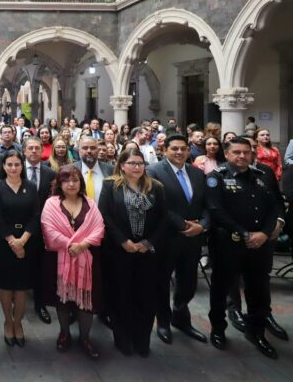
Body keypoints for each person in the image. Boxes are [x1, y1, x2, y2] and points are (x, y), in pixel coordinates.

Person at [206, 138, 281, 359]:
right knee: (220, 290)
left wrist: (265, 233)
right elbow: (215, 210)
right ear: (226, 154)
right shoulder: (216, 177)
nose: (242, 156)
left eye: (246, 152)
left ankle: (256, 332)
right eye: (236, 152)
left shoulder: (261, 176)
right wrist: (246, 233)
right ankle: (218, 329)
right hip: (228, 244)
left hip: (258, 244)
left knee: (257, 289)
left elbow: (275, 205)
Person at [98, 147, 169, 357]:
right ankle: (123, 339)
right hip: (120, 250)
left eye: (140, 163)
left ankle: (142, 340)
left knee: (146, 297)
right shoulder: (110, 185)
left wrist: (148, 242)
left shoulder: (156, 187)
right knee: (121, 295)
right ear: (122, 165)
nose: (137, 167)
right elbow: (105, 214)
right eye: (132, 163)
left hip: (147, 251)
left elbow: (164, 218)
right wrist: (123, 241)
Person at [147, 134, 209, 344]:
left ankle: (181, 317)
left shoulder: (197, 173)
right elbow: (158, 205)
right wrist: (184, 225)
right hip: (166, 237)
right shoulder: (153, 171)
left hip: (193, 239)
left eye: (183, 148)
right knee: (161, 282)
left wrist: (202, 225)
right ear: (164, 150)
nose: (180, 152)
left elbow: (208, 205)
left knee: (188, 280)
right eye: (175, 148)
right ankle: (163, 322)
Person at [41, 164, 105, 359]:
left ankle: (85, 338)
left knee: (86, 301)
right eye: (66, 180)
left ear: (81, 183)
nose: (71, 184)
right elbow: (48, 229)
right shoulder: (51, 203)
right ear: (59, 183)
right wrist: (71, 245)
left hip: (87, 261)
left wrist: (83, 245)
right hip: (59, 260)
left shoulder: (90, 203)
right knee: (63, 299)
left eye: (75, 180)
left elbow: (99, 227)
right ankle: (64, 333)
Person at [0, 150, 41, 348]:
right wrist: (13, 241)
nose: (13, 168)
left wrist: (23, 240)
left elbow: (36, 216)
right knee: (6, 286)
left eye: (17, 164)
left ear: (22, 165)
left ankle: (18, 323)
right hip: (3, 243)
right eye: (9, 164)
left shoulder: (30, 187)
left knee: (21, 287)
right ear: (3, 166)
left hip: (27, 242)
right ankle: (8, 322)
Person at [21, 137, 56, 323]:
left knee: (41, 267)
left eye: (37, 148)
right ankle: (17, 303)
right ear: (24, 151)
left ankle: (40, 304)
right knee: (21, 265)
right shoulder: (15, 170)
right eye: (30, 148)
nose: (33, 151)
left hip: (43, 227)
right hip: (21, 227)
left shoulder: (50, 173)